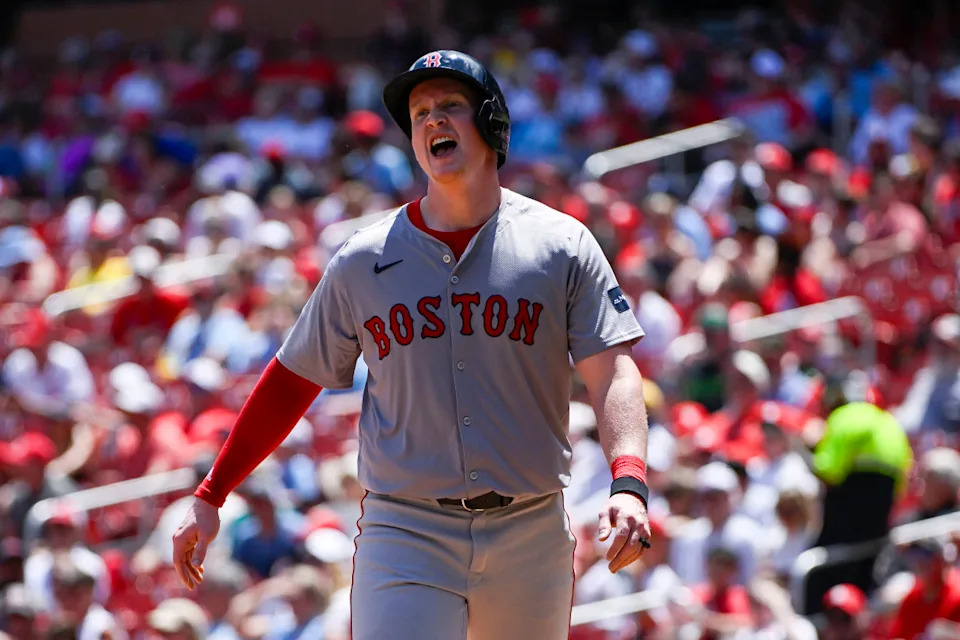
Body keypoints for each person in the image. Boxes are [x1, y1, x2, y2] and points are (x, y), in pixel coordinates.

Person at [172, 50, 652, 640]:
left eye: (451, 105)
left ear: (492, 123)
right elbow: (293, 378)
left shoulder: (561, 244)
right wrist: (212, 492)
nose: (432, 121)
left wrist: (628, 480)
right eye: (420, 112)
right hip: (406, 529)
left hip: (530, 529)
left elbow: (613, 372)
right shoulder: (363, 257)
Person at [889, 537, 960, 640]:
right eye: (913, 558)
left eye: (925, 556)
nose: (918, 564)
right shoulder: (912, 599)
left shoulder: (957, 594)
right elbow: (899, 635)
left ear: (941, 559)